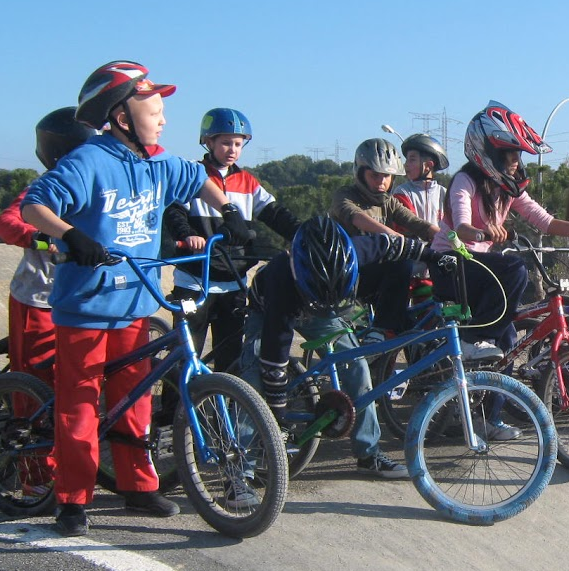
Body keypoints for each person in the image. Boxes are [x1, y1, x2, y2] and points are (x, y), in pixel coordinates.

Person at [21, 61, 253, 537]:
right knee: (80, 404)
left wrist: (228, 210)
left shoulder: (158, 162)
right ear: (123, 117)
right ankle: (72, 499)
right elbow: (33, 205)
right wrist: (70, 235)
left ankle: (138, 485)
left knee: (136, 399)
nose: (164, 119)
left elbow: (195, 178)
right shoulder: (88, 161)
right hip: (86, 305)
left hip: (136, 304)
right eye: (155, 110)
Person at [239, 216, 428, 478]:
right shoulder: (281, 277)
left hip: (322, 308)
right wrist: (277, 402)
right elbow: (275, 348)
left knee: (357, 366)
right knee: (255, 379)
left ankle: (368, 454)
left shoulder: (354, 250)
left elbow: (393, 245)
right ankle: (241, 468)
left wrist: (436, 255)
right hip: (271, 310)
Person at [430, 101, 569, 355]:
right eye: (511, 154)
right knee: (515, 269)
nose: (517, 161)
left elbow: (545, 221)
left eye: (519, 154)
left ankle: (498, 391)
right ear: (489, 152)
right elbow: (461, 227)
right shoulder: (466, 180)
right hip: (449, 264)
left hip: (476, 266)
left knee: (506, 346)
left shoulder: (508, 188)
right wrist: (483, 232)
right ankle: (472, 339)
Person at [0, 107, 95, 502]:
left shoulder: (97, 182)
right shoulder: (46, 186)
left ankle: (71, 462)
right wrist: (49, 240)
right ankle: (32, 472)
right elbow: (8, 223)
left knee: (72, 386)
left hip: (81, 301)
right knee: (33, 386)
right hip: (38, 300)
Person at [162, 108, 302, 372]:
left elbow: (275, 214)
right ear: (208, 142)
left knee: (231, 356)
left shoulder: (247, 181)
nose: (233, 149)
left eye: (238, 144)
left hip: (233, 280)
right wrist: (187, 235)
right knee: (185, 354)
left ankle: (222, 411)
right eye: (226, 142)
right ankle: (170, 412)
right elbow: (174, 212)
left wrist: (303, 234)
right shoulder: (194, 174)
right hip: (195, 279)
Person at [330, 138, 439, 335]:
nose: (382, 182)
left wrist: (448, 239)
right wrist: (395, 237)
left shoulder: (389, 202)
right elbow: (357, 217)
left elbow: (416, 223)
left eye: (387, 176)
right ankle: (380, 332)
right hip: (348, 275)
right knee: (401, 264)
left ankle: (414, 358)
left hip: (380, 277)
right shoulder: (345, 195)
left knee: (411, 330)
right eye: (375, 175)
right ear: (361, 173)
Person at [392, 133, 449, 226]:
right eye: (406, 160)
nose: (406, 164)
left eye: (412, 160)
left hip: (442, 240)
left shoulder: (444, 194)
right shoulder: (403, 192)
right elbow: (408, 225)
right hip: (413, 240)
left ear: (428, 166)